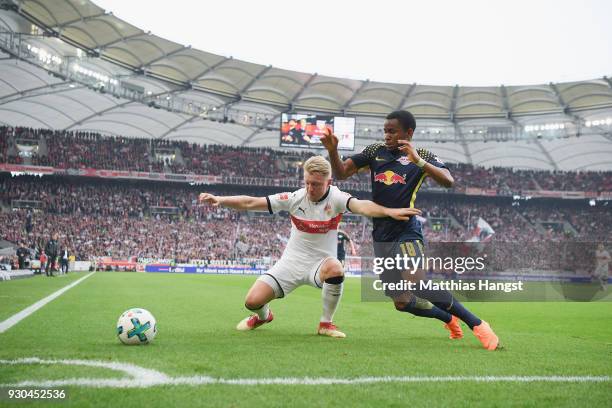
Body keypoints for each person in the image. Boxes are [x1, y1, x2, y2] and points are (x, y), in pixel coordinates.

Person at [321, 110, 500, 350]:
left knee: (418, 283)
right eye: (385, 131)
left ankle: (477, 324)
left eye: (392, 131)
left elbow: (449, 181)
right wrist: (333, 150)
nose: (387, 136)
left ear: (408, 132)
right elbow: (342, 173)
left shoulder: (422, 156)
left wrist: (419, 161)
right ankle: (448, 318)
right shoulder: (375, 152)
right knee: (402, 302)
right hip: (381, 234)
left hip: (407, 230)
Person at [199, 156, 422, 338]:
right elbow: (250, 202)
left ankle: (326, 324)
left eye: (315, 184)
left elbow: (362, 206)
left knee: (336, 268)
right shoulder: (294, 198)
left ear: (329, 182)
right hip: (291, 263)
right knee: (252, 302)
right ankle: (264, 316)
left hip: (320, 265)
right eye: (306, 182)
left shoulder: (336, 198)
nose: (309, 188)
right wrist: (220, 199)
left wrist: (390, 211)